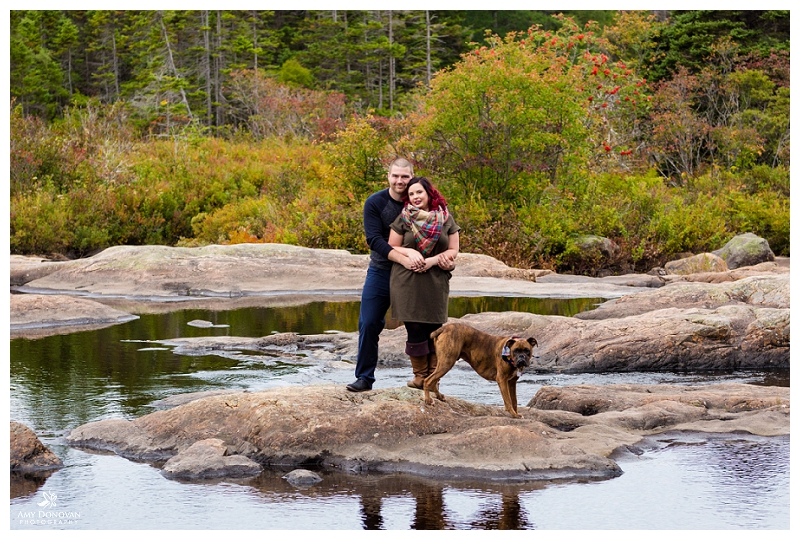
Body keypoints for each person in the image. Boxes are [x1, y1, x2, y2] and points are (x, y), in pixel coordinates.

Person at [347, 159, 453, 392]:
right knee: (369, 322)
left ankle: (427, 380)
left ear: (412, 176)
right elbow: (374, 240)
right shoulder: (376, 203)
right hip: (382, 270)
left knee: (422, 328)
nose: (400, 181)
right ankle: (364, 378)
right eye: (395, 176)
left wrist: (442, 262)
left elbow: (446, 239)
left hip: (418, 276)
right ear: (388, 176)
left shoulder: (423, 203)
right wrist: (404, 257)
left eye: (405, 177)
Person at [388, 177, 460, 389]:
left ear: (429, 193)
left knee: (435, 331)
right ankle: (420, 377)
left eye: (419, 192)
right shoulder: (404, 218)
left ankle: (433, 379)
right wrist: (410, 251)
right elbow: (392, 246)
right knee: (415, 330)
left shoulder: (446, 218)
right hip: (408, 281)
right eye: (411, 194)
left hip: (435, 281)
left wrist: (432, 261)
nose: (415, 197)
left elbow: (453, 250)